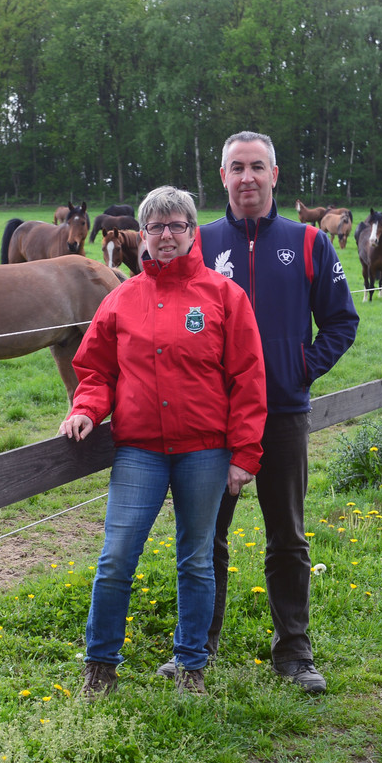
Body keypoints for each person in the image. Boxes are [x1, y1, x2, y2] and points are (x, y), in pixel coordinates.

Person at [161, 131, 358, 694]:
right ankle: (198, 647)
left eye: (257, 167)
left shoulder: (310, 243)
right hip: (210, 422)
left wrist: (299, 368)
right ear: (221, 177)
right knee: (204, 538)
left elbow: (342, 322)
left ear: (275, 174)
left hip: (282, 414)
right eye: (236, 168)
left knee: (287, 536)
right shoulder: (198, 242)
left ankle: (294, 653)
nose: (247, 177)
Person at [61, 185, 267, 697]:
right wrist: (86, 409)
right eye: (157, 227)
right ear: (143, 237)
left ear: (193, 232)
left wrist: (245, 454)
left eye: (177, 226)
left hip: (205, 451)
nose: (167, 235)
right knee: (116, 556)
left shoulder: (224, 296)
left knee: (196, 558)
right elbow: (95, 369)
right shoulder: (121, 299)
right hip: (140, 451)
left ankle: (191, 664)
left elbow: (247, 376)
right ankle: (100, 664)